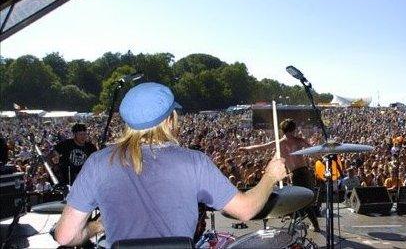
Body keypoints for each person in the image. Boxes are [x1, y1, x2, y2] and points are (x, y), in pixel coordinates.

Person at [54, 82, 287, 247]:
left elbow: (64, 236)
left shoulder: (98, 162)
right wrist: (269, 175)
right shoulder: (195, 162)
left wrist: (96, 227)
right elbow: (246, 210)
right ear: (168, 119)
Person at [238, 118, 320, 232]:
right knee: (303, 200)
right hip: (304, 172)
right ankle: (309, 224)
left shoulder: (279, 143)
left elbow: (262, 147)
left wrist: (246, 148)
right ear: (294, 129)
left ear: (282, 130)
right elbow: (314, 150)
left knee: (302, 200)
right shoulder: (299, 140)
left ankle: (313, 226)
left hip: (296, 174)